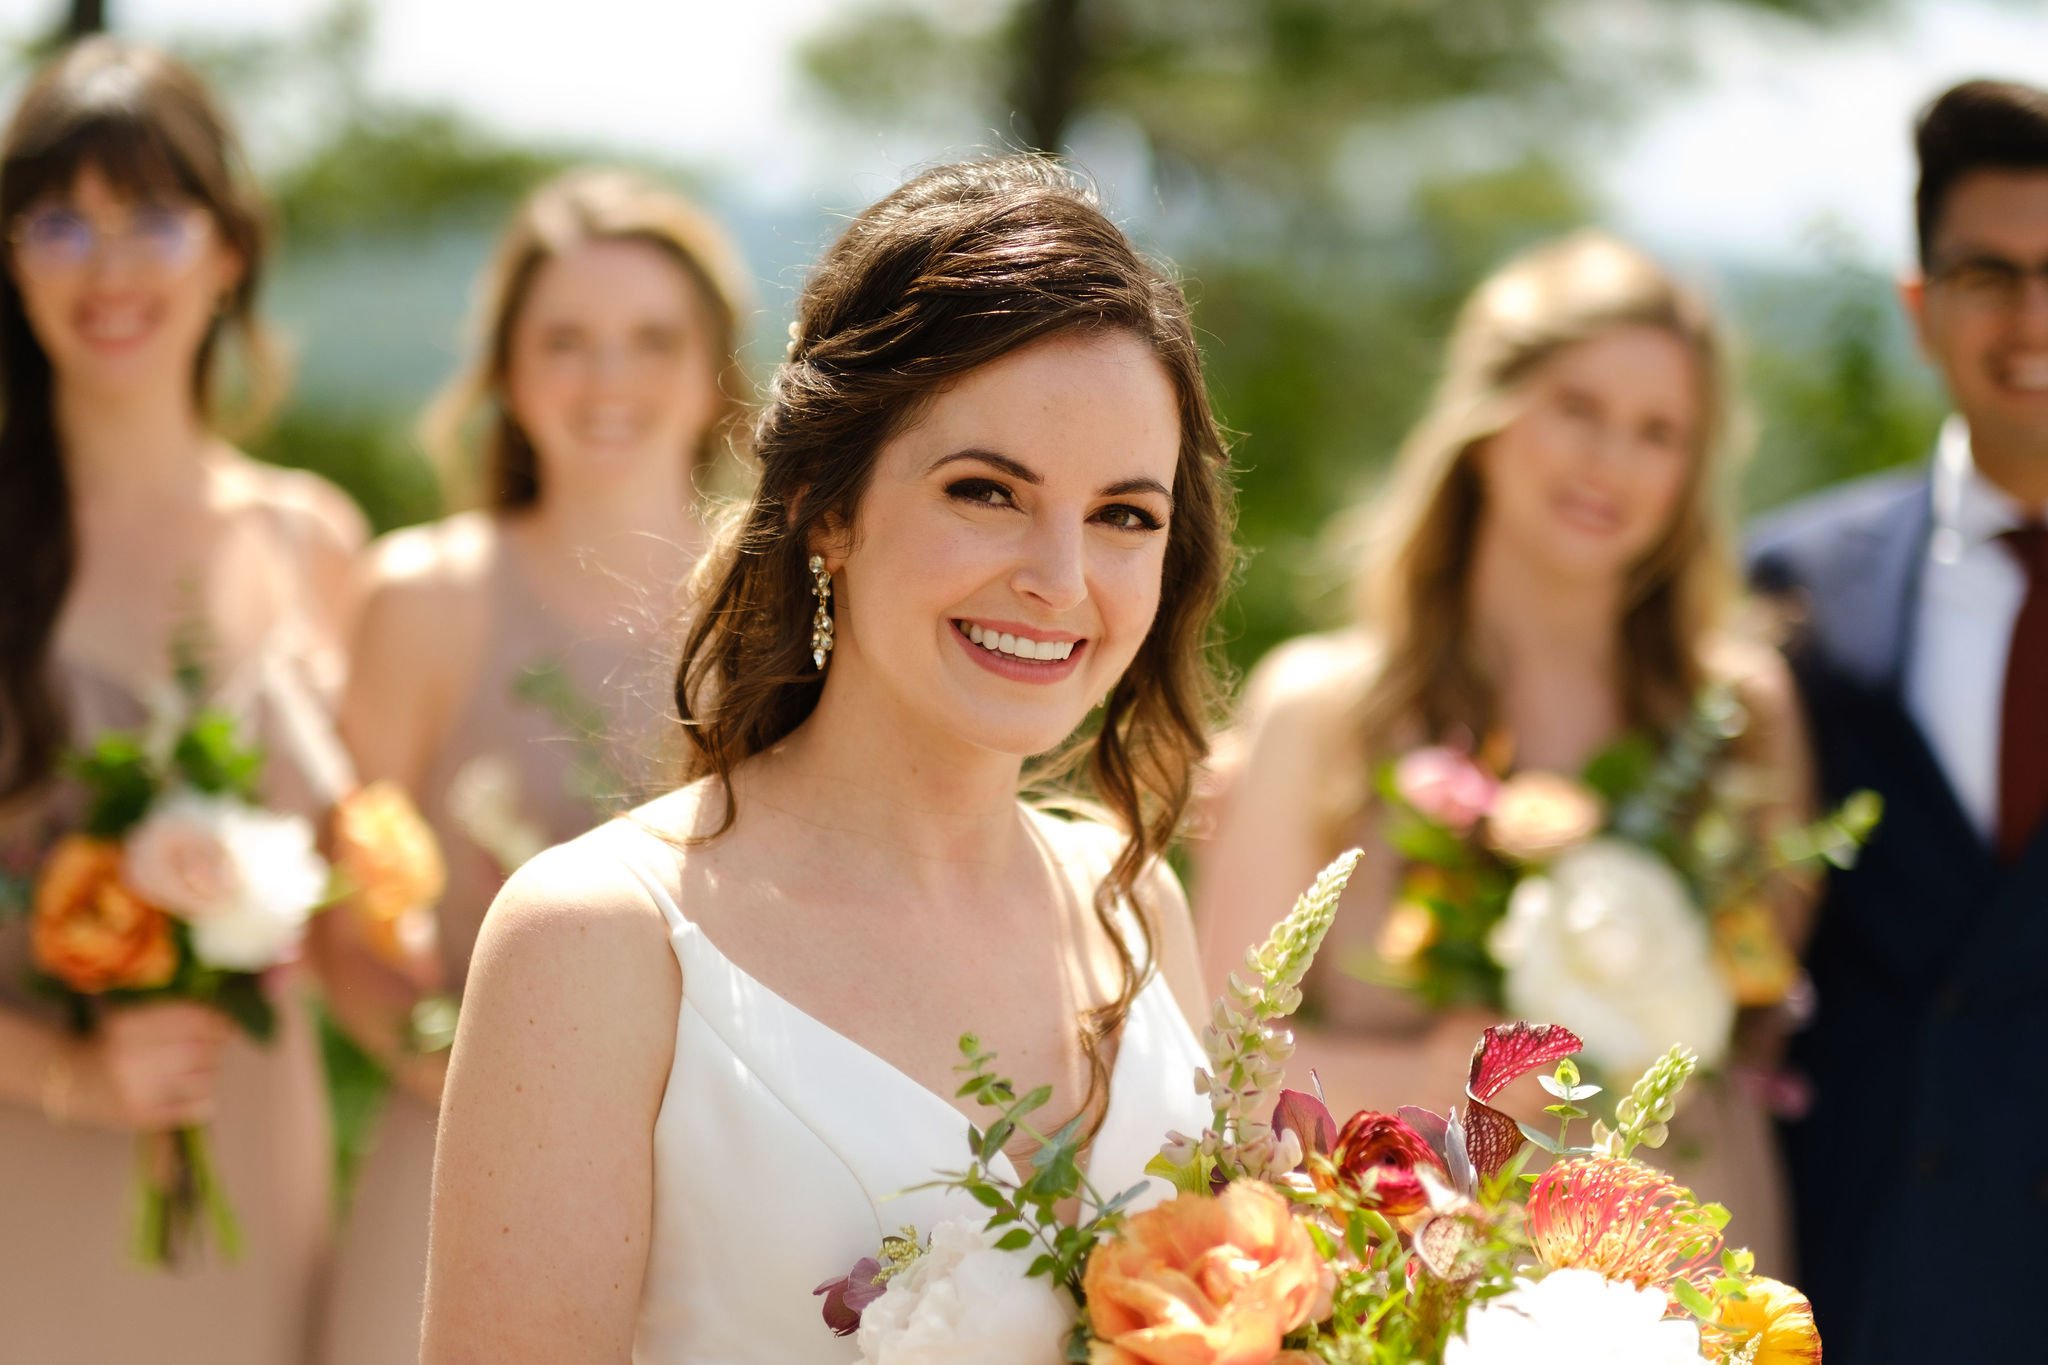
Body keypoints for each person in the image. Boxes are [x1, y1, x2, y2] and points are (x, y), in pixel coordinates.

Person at [421, 155, 1234, 1362]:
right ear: (824, 504)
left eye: (1124, 515)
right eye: (985, 491)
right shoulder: (598, 941)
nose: (1060, 582)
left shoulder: (1133, 907)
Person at [1197, 231, 1814, 1273]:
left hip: (1680, 1281)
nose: (1607, 462)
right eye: (1574, 408)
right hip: (1402, 1288)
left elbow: (1757, 1035)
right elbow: (1218, 1062)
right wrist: (1432, 1068)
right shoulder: (1326, 710)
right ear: (1484, 419)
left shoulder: (1738, 717)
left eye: (1656, 432)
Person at [316, 166, 752, 1365]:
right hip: (453, 1173)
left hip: (723, 1202)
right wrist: (491, 1087)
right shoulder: (423, 596)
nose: (607, 380)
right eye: (566, 340)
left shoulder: (785, 610)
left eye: (650, 340)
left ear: (715, 367)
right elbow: (341, 919)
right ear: (507, 369)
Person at [0, 38, 364, 1364]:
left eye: (151, 216)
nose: (109, 269)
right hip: (24, 1187)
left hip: (259, 1175)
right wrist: (69, 1074)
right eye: (58, 222)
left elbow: (360, 895)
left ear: (227, 251)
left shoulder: (314, 538)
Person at [1749, 79, 2048, 1361]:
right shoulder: (1795, 587)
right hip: (1864, 1289)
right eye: (1986, 274)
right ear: (1919, 308)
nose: (2029, 317)